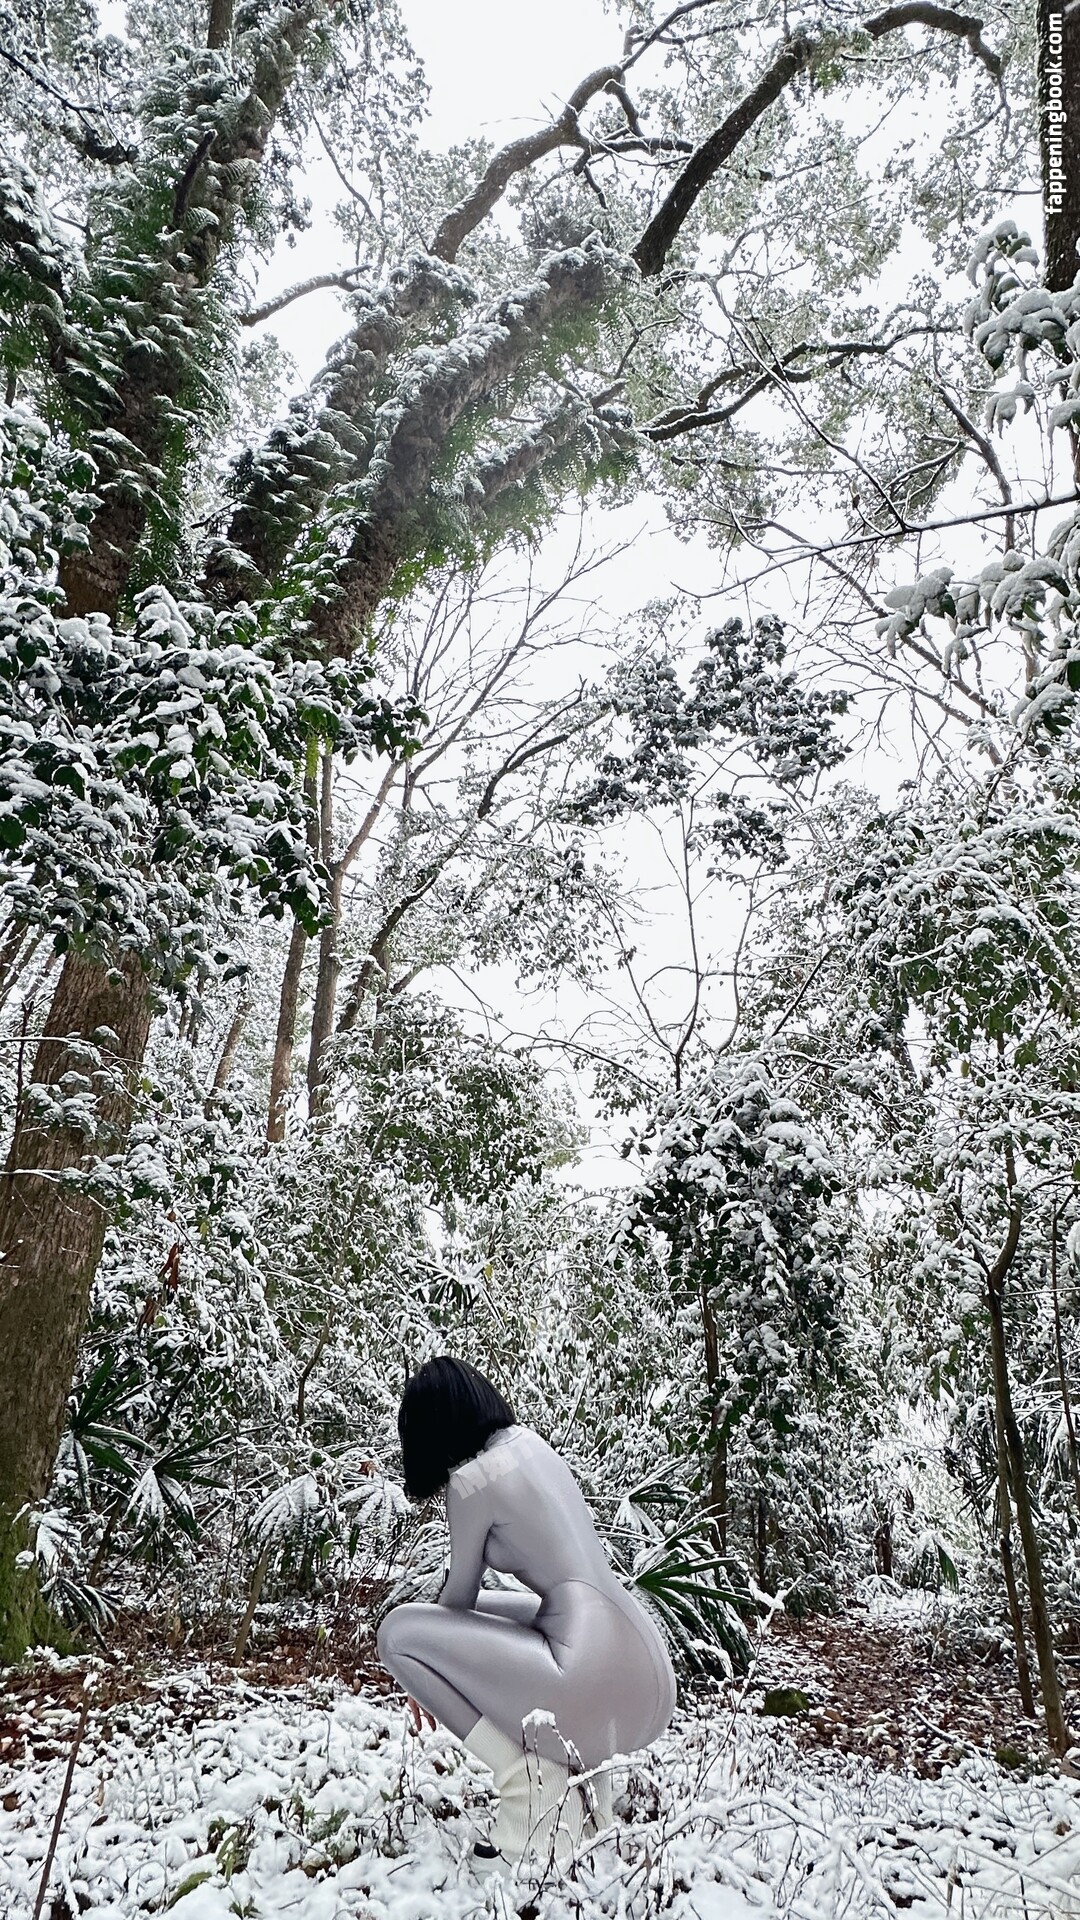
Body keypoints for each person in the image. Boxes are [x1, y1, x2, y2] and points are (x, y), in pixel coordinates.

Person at [376, 1355, 676, 1872]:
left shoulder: (471, 1481)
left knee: (399, 1633)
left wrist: (420, 1676)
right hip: (642, 1662)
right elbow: (475, 1613)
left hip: (583, 1664)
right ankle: (589, 1803)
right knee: (485, 1613)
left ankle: (527, 1782)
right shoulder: (531, 1444)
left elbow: (456, 1603)